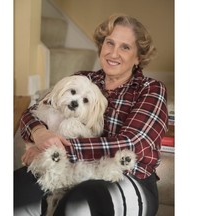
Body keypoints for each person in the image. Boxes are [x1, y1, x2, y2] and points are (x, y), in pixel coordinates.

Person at [14, 14, 168, 216]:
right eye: (109, 43)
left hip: (129, 176)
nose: (113, 53)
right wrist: (40, 133)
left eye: (125, 47)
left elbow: (132, 143)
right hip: (65, 167)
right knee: (15, 192)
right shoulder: (83, 78)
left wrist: (54, 149)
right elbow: (33, 112)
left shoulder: (151, 90)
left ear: (139, 57)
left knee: (77, 205)